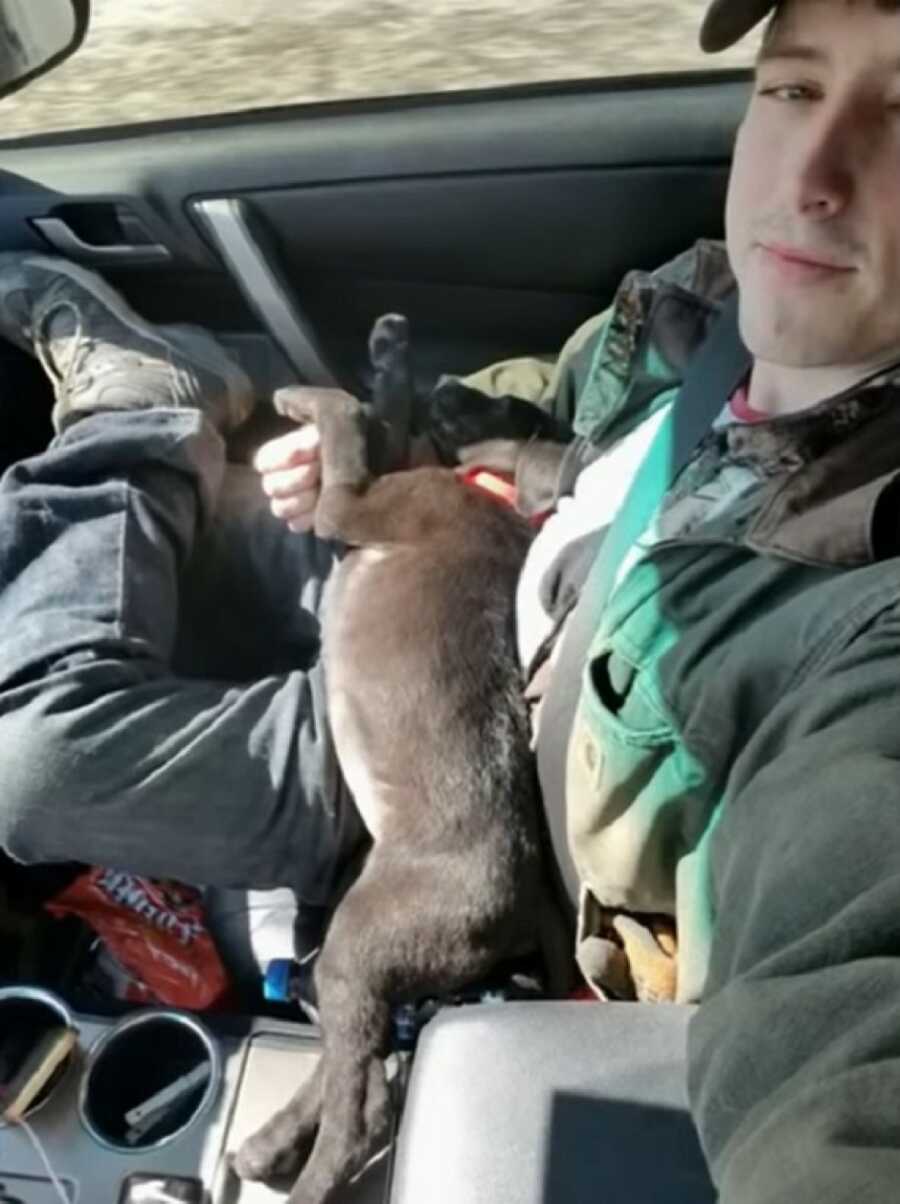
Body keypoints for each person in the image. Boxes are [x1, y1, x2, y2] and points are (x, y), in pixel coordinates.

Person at [2, 0, 900, 1196]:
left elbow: (846, 1042)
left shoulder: (864, 624)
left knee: (36, 755)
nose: (815, 172)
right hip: (464, 581)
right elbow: (564, 424)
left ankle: (129, 409)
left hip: (467, 760)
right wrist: (432, 453)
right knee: (206, 514)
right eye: (791, 88)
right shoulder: (711, 301)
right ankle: (151, 419)